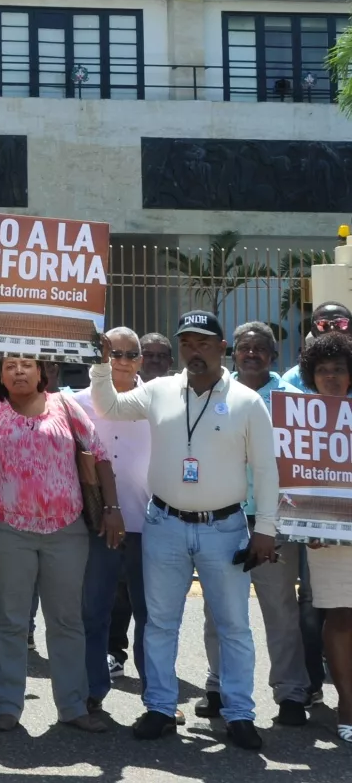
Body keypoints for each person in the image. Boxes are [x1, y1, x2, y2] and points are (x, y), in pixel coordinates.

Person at [88, 310, 277, 749]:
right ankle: (158, 706)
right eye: (187, 344)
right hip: (165, 524)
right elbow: (109, 407)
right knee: (160, 623)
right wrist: (101, 363)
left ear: (222, 348)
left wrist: (265, 529)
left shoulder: (248, 402)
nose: (195, 351)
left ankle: (240, 713)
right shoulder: (159, 391)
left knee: (233, 625)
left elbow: (266, 471)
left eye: (204, 343)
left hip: (225, 527)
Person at [0, 354, 117, 735]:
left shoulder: (65, 405)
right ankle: (7, 702)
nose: (18, 371)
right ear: (0, 374)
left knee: (66, 621)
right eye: (10, 365)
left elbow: (100, 455)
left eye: (27, 364)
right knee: (10, 621)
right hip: (8, 531)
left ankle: (73, 705)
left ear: (42, 371)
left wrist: (113, 509)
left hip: (66, 531)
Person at [189, 322, 310, 726]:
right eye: (245, 348)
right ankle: (217, 687)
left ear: (274, 357)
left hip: (273, 520)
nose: (252, 354)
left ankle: (291, 693)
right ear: (233, 353)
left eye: (261, 349)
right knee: (218, 610)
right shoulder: (210, 392)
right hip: (223, 517)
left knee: (280, 610)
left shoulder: (293, 402)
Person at [74, 327, 153, 716]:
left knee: (152, 617)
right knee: (94, 613)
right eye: (111, 353)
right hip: (97, 526)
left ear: (140, 360)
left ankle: (157, 697)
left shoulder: (158, 400)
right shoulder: (74, 403)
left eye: (127, 354)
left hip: (149, 526)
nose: (118, 360)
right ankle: (92, 692)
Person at [293, 330, 352, 744]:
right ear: (311, 375)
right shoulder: (297, 416)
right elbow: (289, 476)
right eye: (323, 370)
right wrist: (305, 523)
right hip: (326, 537)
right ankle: (347, 702)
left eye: (339, 370)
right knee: (340, 617)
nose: (330, 377)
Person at [283, 303, 352, 390]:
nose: (332, 329)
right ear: (313, 331)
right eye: (323, 324)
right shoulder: (293, 380)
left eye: (341, 323)